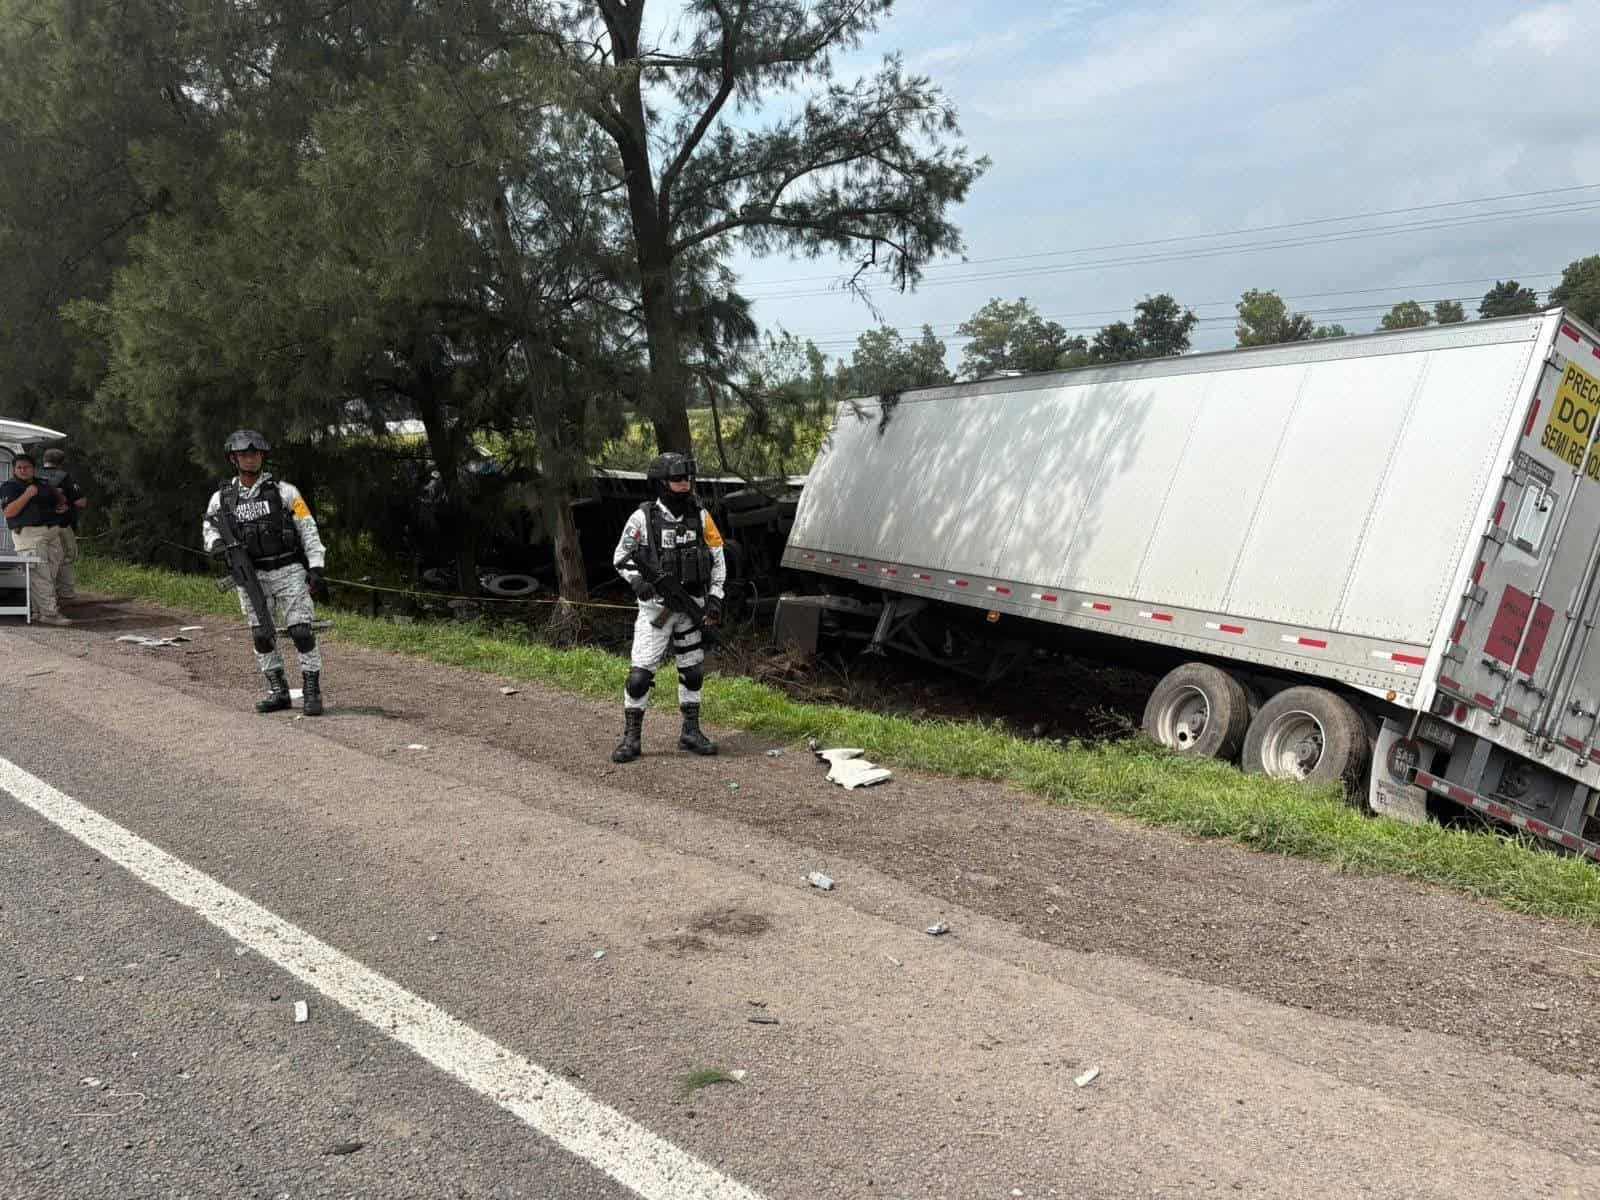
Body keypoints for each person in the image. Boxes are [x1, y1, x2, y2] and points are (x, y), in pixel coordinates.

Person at [202, 431, 330, 715]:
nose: (251, 459)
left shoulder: (285, 492)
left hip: (288, 570)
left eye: (256, 454)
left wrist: (316, 566)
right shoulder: (222, 499)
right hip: (251, 575)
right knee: (261, 634)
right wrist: (217, 544)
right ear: (233, 459)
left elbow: (307, 528)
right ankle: (278, 690)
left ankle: (312, 690)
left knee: (301, 631)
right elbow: (209, 527)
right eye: (245, 455)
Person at [610, 451, 726, 762]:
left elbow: (718, 558)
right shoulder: (642, 518)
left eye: (687, 478)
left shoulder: (701, 517)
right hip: (657, 612)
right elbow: (621, 557)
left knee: (693, 672)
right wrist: (638, 582)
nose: (684, 484)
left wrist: (716, 597)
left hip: (693, 609)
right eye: (677, 479)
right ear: (662, 483)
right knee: (639, 676)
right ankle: (631, 739)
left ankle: (690, 732)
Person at [0, 453, 71, 625]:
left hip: (51, 532)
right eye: (19, 467)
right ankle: (50, 613)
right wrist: (27, 495)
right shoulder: (10, 487)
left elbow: (59, 501)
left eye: (26, 467)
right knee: (40, 574)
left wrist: (62, 505)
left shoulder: (43, 484)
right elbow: (9, 512)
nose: (22, 470)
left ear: (34, 468)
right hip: (29, 534)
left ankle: (38, 612)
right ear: (14, 470)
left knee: (51, 574)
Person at [38, 447, 87, 602]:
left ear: (43, 460)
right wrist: (68, 503)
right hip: (62, 525)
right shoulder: (66, 477)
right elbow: (81, 502)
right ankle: (65, 592)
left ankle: (45, 592)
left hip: (38, 527)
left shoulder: (33, 476)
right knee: (67, 556)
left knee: (44, 559)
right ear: (61, 463)